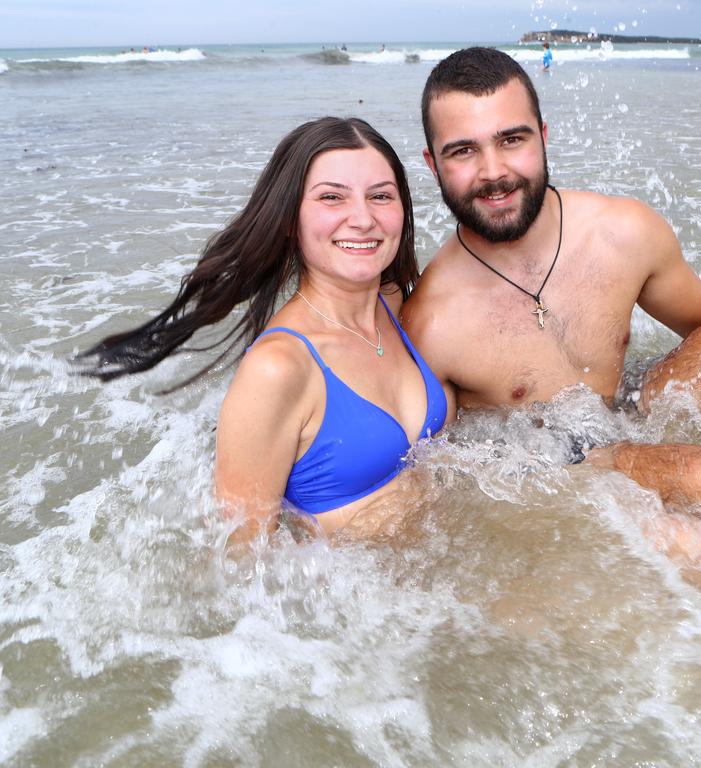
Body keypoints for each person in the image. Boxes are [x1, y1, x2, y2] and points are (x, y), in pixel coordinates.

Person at [403, 48, 701, 572]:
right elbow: (435, 475)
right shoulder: (431, 322)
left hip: (625, 416)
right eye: (463, 151)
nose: (494, 172)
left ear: (543, 134)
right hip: (549, 472)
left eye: (511, 140)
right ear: (432, 163)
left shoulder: (622, 233)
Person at [80, 117, 451, 544]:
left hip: (442, 584)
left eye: (380, 196)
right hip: (360, 603)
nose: (363, 218)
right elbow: (239, 565)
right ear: (290, 219)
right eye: (332, 197)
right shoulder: (278, 369)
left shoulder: (394, 303)